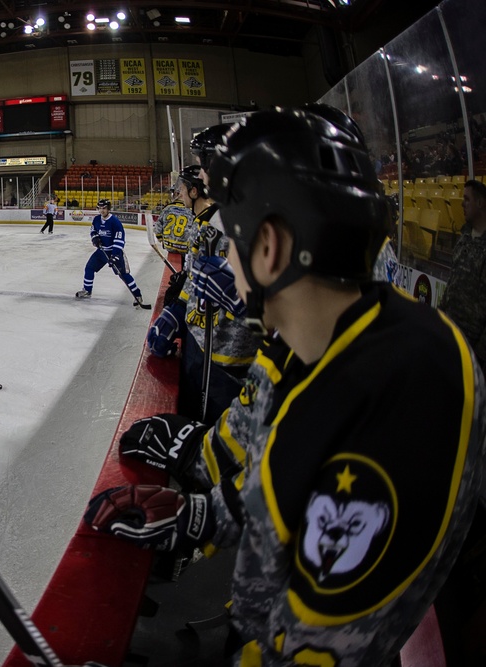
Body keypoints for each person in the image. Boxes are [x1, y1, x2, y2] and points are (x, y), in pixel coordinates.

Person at [87, 108, 486, 667]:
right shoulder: (305, 341)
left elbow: (315, 650)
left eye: (232, 232)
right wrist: (199, 515)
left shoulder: (406, 391)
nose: (224, 253)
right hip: (255, 620)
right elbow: (277, 486)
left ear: (270, 247)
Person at [148, 129, 258, 424]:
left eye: (204, 166)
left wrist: (252, 304)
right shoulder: (210, 224)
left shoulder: (254, 226)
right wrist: (178, 309)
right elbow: (197, 281)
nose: (204, 178)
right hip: (200, 345)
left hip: (229, 360)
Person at [439, 179, 486, 370]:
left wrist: (480, 356)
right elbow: (452, 282)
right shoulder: (464, 236)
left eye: (467, 199)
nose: (462, 204)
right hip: (450, 332)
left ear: (481, 203)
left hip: (472, 346)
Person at [75, 198, 146, 307]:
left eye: (104, 208)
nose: (102, 210)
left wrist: (115, 256)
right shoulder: (96, 219)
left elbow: (119, 240)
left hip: (114, 252)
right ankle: (87, 290)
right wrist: (95, 238)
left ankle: (138, 295)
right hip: (101, 252)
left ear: (108, 209)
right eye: (100, 208)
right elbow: (93, 230)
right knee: (89, 268)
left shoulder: (115, 222)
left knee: (124, 275)